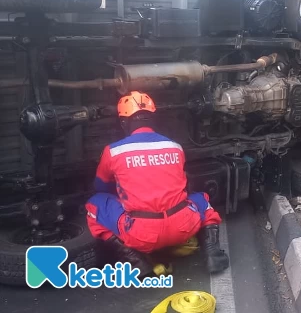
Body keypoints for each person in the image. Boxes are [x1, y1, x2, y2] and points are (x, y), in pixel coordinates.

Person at [85, 91, 229, 276]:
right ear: (153, 119)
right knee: (202, 200)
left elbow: (102, 188)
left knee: (95, 204)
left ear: (123, 123)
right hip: (182, 228)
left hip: (141, 235)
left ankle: (136, 260)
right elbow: (183, 185)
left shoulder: (113, 151)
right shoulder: (175, 147)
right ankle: (213, 255)